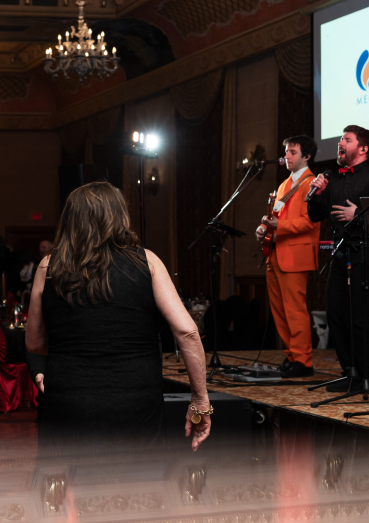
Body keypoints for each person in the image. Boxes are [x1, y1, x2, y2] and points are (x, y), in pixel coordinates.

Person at [26, 182, 211, 452]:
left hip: (69, 401)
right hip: (135, 403)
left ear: (71, 219)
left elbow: (34, 343)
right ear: (119, 216)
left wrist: (71, 347)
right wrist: (200, 400)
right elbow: (188, 332)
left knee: (66, 470)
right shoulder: (147, 262)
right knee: (135, 475)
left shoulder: (49, 266)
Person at [307, 126, 369, 391]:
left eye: (346, 139)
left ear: (363, 148)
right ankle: (352, 374)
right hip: (343, 254)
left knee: (359, 318)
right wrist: (317, 194)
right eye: (340, 138)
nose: (340, 142)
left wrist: (359, 214)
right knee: (336, 315)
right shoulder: (334, 179)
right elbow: (315, 215)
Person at [253, 136, 321, 378]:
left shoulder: (311, 183)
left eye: (292, 152)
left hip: (294, 255)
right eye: (286, 151)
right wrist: (264, 227)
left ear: (307, 156)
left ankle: (303, 361)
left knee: (294, 309)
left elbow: (309, 222)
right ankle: (292, 355)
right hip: (275, 252)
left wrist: (278, 226)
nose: (287, 156)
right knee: (280, 310)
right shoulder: (284, 184)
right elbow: (276, 215)